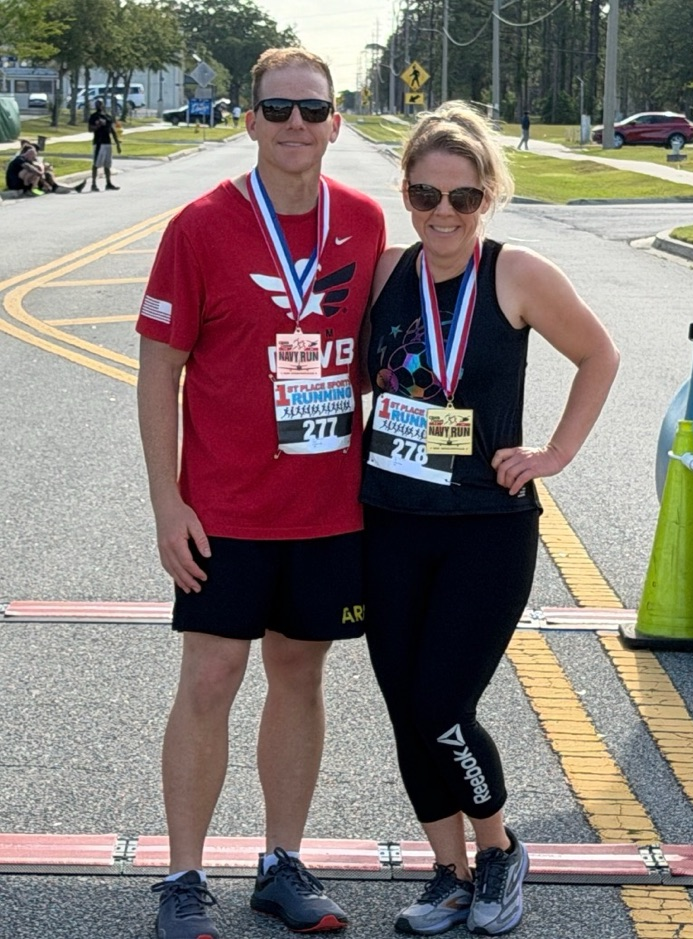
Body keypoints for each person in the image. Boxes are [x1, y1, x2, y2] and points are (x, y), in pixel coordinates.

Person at [136, 46, 385, 939]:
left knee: (299, 674)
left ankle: (283, 863)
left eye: (312, 110)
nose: (295, 125)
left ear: (335, 123)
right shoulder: (200, 227)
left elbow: (390, 349)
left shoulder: (364, 220)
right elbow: (159, 370)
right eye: (277, 109)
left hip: (327, 507)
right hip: (225, 507)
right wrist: (168, 504)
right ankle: (183, 877)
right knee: (210, 676)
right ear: (249, 121)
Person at [360, 102, 619, 936]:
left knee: (442, 705)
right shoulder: (385, 272)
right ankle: (448, 871)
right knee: (407, 707)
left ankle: (500, 849)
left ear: (488, 197)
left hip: (485, 527)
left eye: (462, 197)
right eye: (425, 194)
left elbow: (599, 354)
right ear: (406, 191)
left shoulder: (516, 273)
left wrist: (555, 451)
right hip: (389, 520)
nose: (442, 212)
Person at [4, 140, 85, 195]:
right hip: (16, 184)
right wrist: (41, 171)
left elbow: (37, 168)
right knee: (39, 173)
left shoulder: (26, 159)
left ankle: (68, 188)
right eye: (34, 154)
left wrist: (44, 169)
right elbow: (32, 169)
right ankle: (52, 188)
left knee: (47, 174)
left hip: (26, 182)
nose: (35, 157)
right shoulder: (20, 159)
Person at [88, 98, 121, 191]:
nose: (98, 105)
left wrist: (117, 144)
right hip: (99, 143)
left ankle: (108, 183)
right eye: (97, 104)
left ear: (103, 105)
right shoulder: (94, 116)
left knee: (107, 164)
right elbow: (90, 129)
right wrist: (97, 125)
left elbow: (112, 130)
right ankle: (93, 184)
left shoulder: (108, 117)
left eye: (100, 104)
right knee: (96, 164)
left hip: (107, 143)